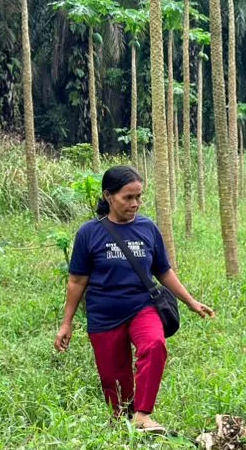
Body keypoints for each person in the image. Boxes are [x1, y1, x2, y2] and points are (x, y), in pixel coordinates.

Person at [56, 165, 214, 434]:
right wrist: (66, 323)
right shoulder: (88, 233)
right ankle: (126, 426)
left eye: (139, 197)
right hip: (103, 314)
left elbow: (163, 270)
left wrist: (191, 301)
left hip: (143, 306)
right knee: (115, 383)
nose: (135, 204)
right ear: (108, 196)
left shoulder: (147, 228)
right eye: (128, 198)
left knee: (154, 344)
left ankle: (143, 415)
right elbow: (77, 281)